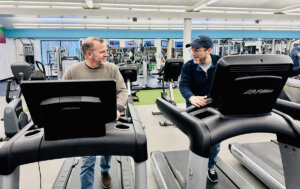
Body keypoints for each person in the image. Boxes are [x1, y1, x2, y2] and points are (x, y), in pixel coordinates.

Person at [63, 37, 128, 189]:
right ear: (89, 54)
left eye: (106, 51)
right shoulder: (74, 71)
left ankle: (105, 170)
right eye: (102, 51)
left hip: (109, 118)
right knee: (88, 160)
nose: (107, 54)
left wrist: (118, 108)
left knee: (107, 150)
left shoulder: (112, 69)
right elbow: (62, 92)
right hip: (84, 121)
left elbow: (122, 91)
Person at [179, 35, 221, 183]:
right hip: (195, 108)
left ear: (209, 50)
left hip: (215, 109)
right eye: (192, 50)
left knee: (215, 144)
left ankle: (210, 167)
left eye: (197, 50)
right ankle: (195, 167)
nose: (193, 53)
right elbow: (183, 85)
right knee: (197, 140)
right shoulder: (189, 66)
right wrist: (191, 98)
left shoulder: (221, 63)